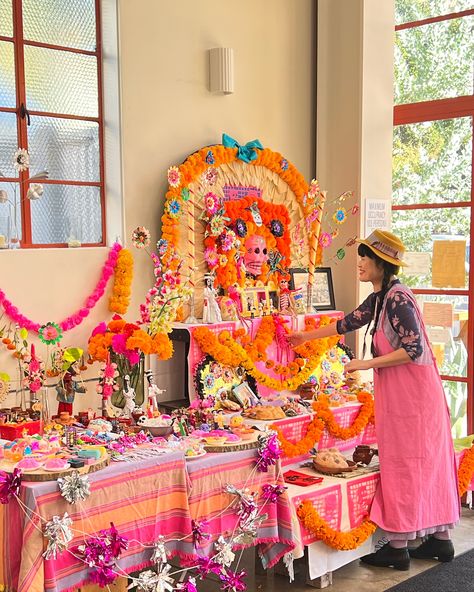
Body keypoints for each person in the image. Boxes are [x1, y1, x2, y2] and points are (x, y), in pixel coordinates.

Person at [288, 229, 460, 570]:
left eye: (365, 257)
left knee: (406, 463)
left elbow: (414, 349)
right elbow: (345, 324)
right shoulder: (379, 299)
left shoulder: (397, 299)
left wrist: (366, 363)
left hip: (414, 396)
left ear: (382, 263)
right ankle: (440, 541)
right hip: (402, 393)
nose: (361, 263)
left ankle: (398, 546)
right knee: (422, 462)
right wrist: (304, 336)